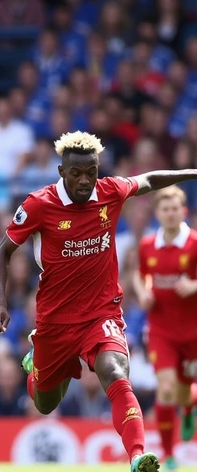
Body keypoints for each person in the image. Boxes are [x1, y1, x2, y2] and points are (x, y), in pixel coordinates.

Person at [0, 130, 197, 472]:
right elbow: (1, 253)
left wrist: (193, 173)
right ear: (61, 172)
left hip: (102, 312)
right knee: (45, 402)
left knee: (115, 372)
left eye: (91, 172)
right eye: (76, 174)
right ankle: (36, 363)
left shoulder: (110, 191)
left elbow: (150, 179)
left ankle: (138, 455)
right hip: (55, 321)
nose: (85, 181)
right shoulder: (39, 204)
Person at [133, 185, 197, 471]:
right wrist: (144, 291)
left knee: (183, 394)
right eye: (165, 209)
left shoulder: (194, 243)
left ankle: (190, 405)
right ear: (158, 213)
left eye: (175, 209)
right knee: (167, 389)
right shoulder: (148, 245)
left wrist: (194, 285)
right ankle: (169, 456)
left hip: (193, 331)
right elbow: (140, 275)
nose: (170, 214)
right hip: (161, 330)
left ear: (183, 212)